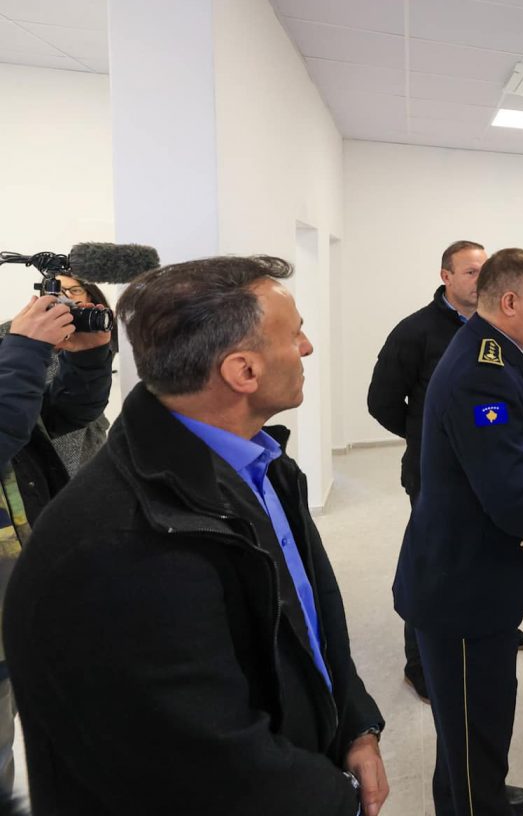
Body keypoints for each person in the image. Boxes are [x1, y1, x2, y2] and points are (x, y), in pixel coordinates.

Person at [3, 256, 387, 816]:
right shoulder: (119, 548)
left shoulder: (264, 463)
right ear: (243, 372)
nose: (307, 348)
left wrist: (355, 723)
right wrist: (340, 798)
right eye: (295, 334)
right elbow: (209, 767)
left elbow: (310, 616)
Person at [394, 248, 523, 816]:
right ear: (511, 301)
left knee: (468, 724)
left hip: (473, 579)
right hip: (466, 590)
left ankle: (475, 794)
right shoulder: (481, 374)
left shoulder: (494, 352)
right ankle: (478, 802)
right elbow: (508, 492)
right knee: (477, 724)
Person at [368, 240, 523, 701]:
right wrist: (426, 438)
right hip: (434, 474)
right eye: (470, 271)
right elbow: (381, 401)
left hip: (487, 473)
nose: (480, 279)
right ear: (446, 277)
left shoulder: (495, 331)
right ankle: (420, 662)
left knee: (485, 549)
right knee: (435, 562)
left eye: (485, 270)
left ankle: (491, 625)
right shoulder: (415, 332)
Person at [0, 292, 112, 795]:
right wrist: (24, 348)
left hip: (24, 584)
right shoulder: (14, 349)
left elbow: (58, 417)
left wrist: (88, 359)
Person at [49, 272, 118, 475]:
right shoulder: (18, 334)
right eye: (59, 290)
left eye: (75, 290)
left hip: (86, 434)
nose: (67, 296)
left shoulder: (97, 335)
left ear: (89, 296)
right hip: (46, 436)